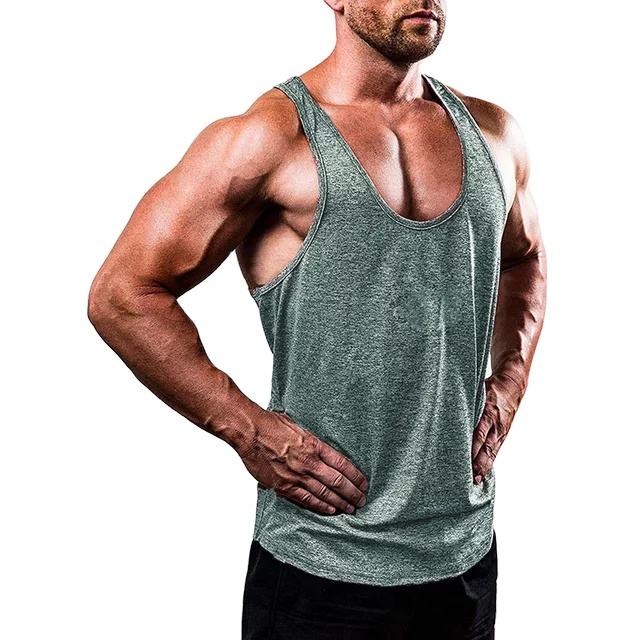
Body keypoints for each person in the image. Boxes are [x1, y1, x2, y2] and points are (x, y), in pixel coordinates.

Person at [87, 1, 546, 637]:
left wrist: (511, 379)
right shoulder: (270, 139)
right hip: (320, 564)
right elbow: (122, 295)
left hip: (462, 554)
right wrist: (248, 430)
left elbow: (524, 257)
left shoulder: (494, 133)